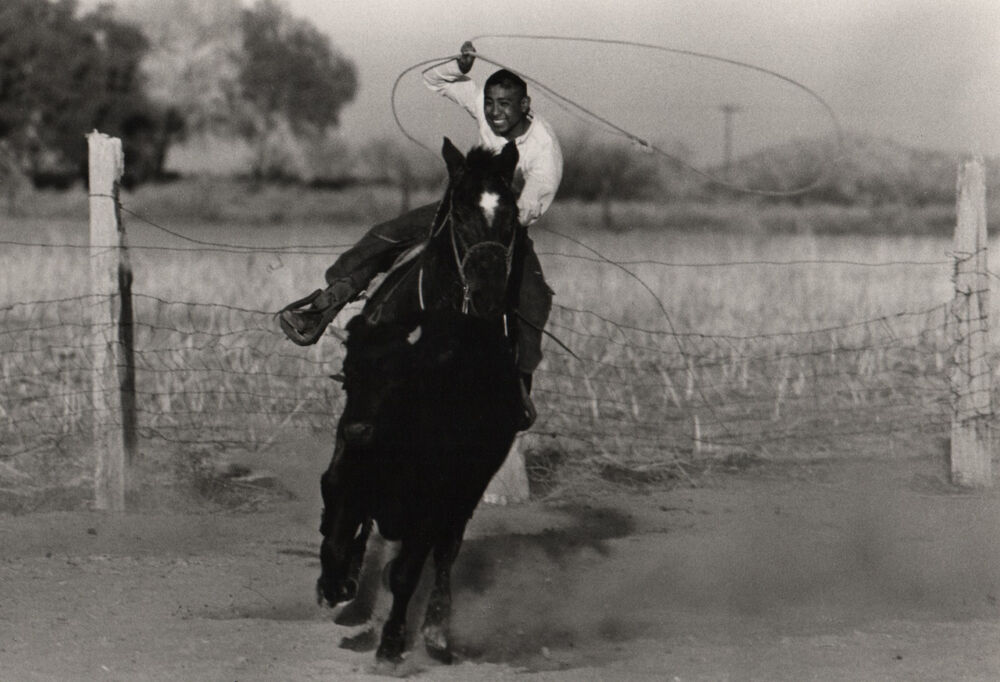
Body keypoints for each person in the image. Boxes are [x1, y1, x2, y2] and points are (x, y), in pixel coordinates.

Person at [280, 40, 563, 430]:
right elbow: (434, 79)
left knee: (532, 300)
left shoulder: (544, 150)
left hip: (503, 225)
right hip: (462, 207)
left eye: (506, 105)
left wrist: (492, 214)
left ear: (525, 106)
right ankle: (325, 305)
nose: (495, 113)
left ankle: (517, 386)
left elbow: (529, 207)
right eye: (491, 103)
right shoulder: (485, 106)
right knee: (386, 234)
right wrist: (459, 64)